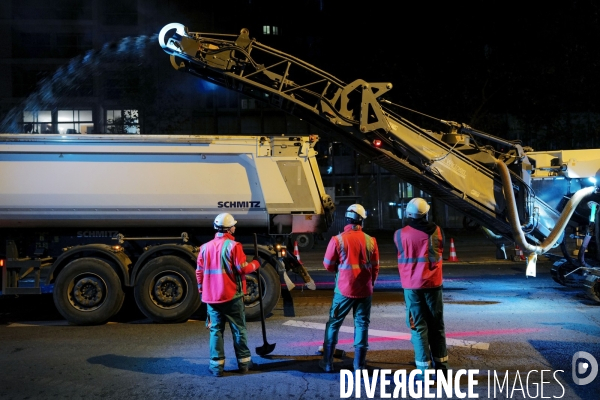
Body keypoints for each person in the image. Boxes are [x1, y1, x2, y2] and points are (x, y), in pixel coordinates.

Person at [196, 212, 261, 377]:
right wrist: (256, 263)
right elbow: (243, 269)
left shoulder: (204, 248)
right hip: (232, 296)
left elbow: (199, 273)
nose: (235, 227)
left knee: (215, 331)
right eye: (234, 225)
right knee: (239, 329)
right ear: (229, 229)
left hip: (212, 299)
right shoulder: (234, 246)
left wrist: (202, 291)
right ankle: (244, 364)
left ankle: (216, 367)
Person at [320, 204, 380, 372]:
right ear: (361, 221)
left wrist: (338, 270)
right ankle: (359, 366)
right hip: (364, 291)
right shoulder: (371, 241)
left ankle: (327, 363)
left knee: (333, 324)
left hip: (344, 290)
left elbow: (328, 265)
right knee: (361, 325)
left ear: (346, 220)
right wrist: (370, 283)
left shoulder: (337, 239)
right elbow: (375, 268)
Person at [393, 197, 448, 378]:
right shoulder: (437, 232)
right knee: (437, 326)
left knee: (418, 327)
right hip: (433, 285)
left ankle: (424, 371)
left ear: (409, 213)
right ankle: (442, 368)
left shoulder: (399, 234)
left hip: (412, 287)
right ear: (426, 213)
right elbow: (440, 250)